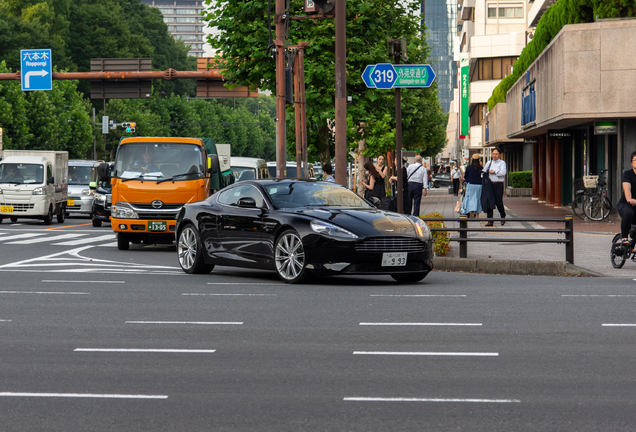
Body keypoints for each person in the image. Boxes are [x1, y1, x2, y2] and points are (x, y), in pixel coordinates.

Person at [483, 148, 507, 227]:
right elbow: (484, 171)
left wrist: (494, 172)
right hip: (490, 185)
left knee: (498, 202)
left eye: (496, 154)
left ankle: (503, 216)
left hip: (498, 184)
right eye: (493, 154)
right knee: (489, 202)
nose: (495, 156)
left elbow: (503, 172)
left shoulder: (502, 163)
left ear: (500, 155)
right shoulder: (489, 162)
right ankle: (490, 221)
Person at [617, 150, 636, 245]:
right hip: (625, 204)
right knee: (628, 212)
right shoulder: (627, 174)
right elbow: (627, 188)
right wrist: (629, 199)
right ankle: (624, 237)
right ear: (632, 163)